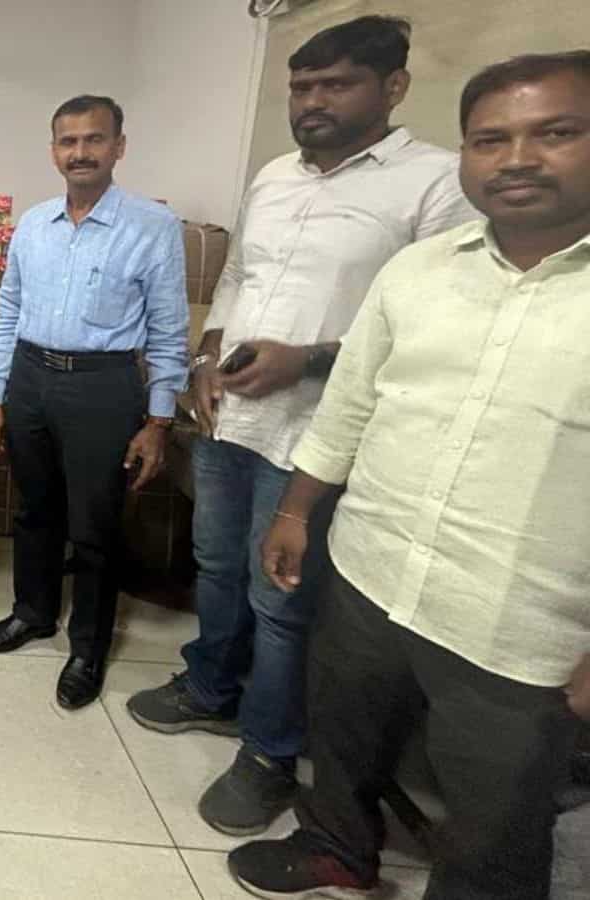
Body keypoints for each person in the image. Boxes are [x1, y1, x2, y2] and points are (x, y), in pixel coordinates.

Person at [228, 50, 590, 899]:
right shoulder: (419, 271)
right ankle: (337, 847)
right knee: (345, 737)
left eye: (556, 133)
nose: (517, 159)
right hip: (373, 566)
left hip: (523, 620)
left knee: (495, 818)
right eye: (489, 140)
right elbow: (351, 406)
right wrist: (296, 512)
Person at [124, 16, 477, 836]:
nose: (312, 101)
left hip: (320, 436)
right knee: (217, 565)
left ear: (393, 87)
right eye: (301, 86)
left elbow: (440, 323)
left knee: (281, 598)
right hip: (231, 418)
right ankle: (210, 687)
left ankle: (270, 753)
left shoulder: (434, 184)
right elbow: (241, 276)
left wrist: (307, 360)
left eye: (336, 84)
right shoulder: (275, 176)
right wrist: (207, 357)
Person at [0, 95, 188, 710]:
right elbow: (8, 312)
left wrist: (159, 419)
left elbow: (169, 329)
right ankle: (33, 612)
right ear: (53, 152)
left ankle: (88, 647)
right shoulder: (32, 224)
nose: (81, 152)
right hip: (30, 377)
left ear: (119, 147)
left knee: (95, 525)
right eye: (68, 141)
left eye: (94, 139)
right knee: (34, 510)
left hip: (104, 384)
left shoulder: (152, 227)